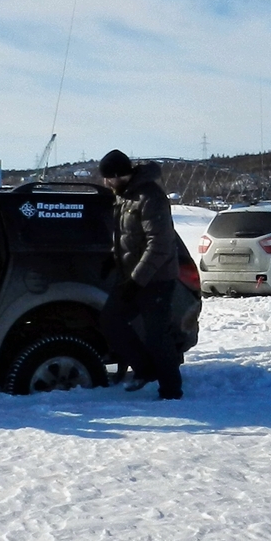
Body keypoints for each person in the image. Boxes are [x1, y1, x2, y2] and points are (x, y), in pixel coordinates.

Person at [97, 149, 183, 399]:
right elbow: (126, 237)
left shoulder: (150, 197)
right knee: (111, 321)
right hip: (131, 276)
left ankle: (171, 391)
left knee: (157, 336)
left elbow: (160, 245)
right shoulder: (125, 196)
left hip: (156, 279)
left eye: (108, 178)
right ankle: (145, 369)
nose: (106, 183)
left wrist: (136, 280)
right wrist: (111, 259)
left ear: (119, 175)